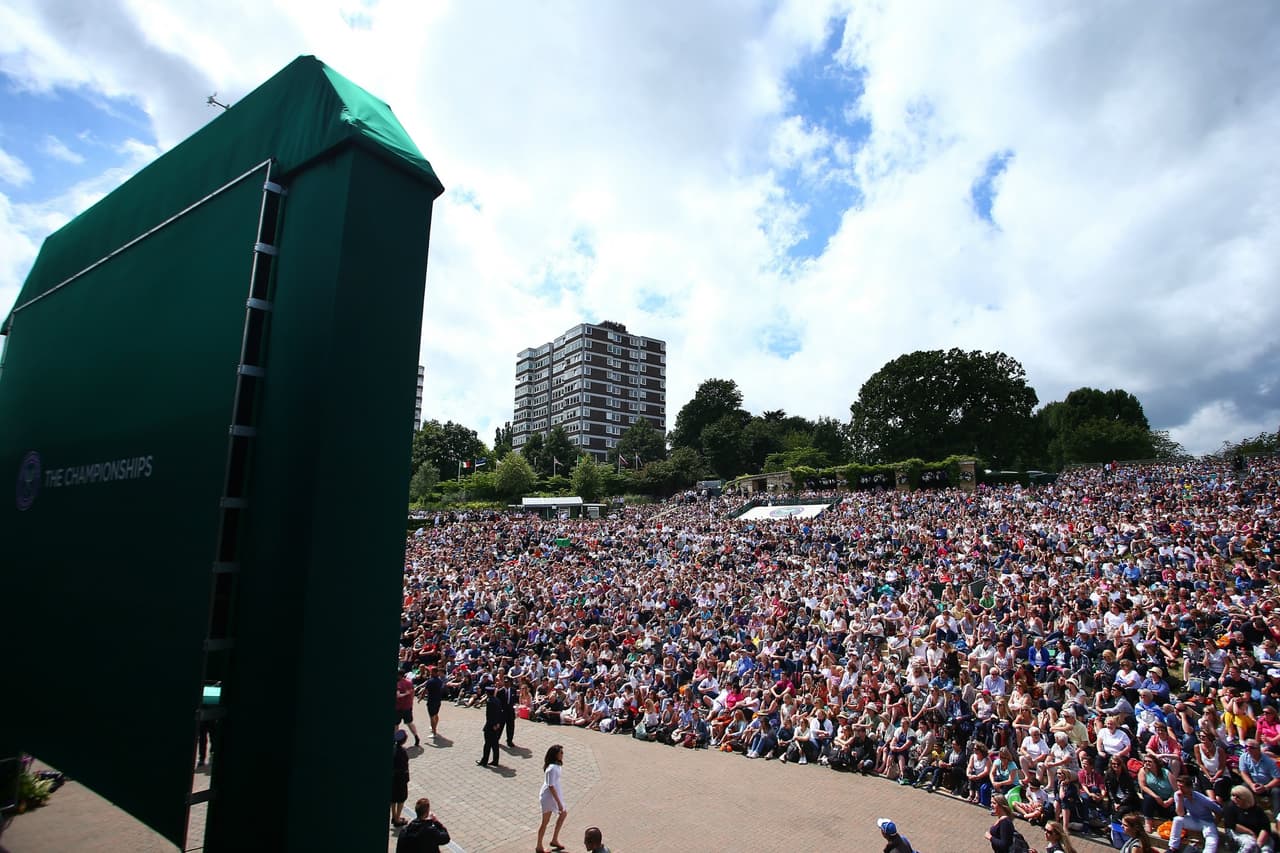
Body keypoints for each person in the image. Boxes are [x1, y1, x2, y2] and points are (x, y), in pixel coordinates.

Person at [1168, 773, 1221, 853]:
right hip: (1193, 820)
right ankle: (1173, 847)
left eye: (1182, 787)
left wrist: (1215, 822)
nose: (1180, 789)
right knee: (1177, 819)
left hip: (1207, 822)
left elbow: (1218, 810)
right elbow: (1180, 814)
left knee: (1212, 839)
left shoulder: (1202, 799)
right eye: (1178, 786)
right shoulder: (1178, 795)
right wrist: (1180, 800)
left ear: (1189, 788)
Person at [1221, 784, 1271, 853]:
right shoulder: (1229, 807)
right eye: (1233, 795)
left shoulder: (1257, 809)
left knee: (1266, 850)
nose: (1234, 798)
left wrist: (1259, 844)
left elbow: (1265, 827)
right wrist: (1251, 833)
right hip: (1238, 833)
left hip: (1258, 835)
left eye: (1238, 796)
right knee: (1249, 844)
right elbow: (1231, 824)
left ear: (1245, 797)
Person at [537, 744, 567, 853]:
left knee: (563, 814)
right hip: (549, 797)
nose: (563, 755)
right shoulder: (552, 769)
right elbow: (551, 786)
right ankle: (539, 846)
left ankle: (554, 839)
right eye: (561, 753)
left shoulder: (556, 765)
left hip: (554, 795)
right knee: (545, 822)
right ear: (555, 755)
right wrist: (559, 802)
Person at [478, 675, 509, 768]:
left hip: (490, 726)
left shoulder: (489, 702)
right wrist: (498, 724)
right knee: (495, 744)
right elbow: (499, 713)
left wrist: (493, 725)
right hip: (496, 725)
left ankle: (484, 760)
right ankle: (495, 760)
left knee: (487, 744)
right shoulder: (497, 700)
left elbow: (490, 716)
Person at [397, 671, 422, 747]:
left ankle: (397, 740)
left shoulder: (398, 684)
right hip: (407, 706)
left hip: (398, 707)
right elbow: (413, 692)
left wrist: (406, 694)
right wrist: (411, 701)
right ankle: (416, 736)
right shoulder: (409, 682)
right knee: (409, 723)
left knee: (395, 724)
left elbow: (398, 695)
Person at [392, 730, 411, 827]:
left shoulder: (393, 749)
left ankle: (394, 815)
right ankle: (397, 819)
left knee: (393, 798)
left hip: (392, 778)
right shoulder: (402, 752)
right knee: (401, 799)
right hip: (400, 779)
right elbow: (404, 767)